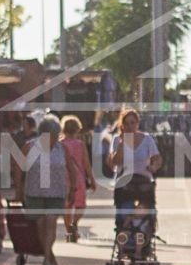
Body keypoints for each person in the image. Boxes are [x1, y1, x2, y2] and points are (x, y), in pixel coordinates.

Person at [16, 115, 72, 265]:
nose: (56, 139)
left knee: (51, 223)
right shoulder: (29, 147)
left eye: (57, 136)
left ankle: (47, 260)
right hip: (35, 192)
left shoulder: (62, 148)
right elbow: (18, 169)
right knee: (40, 227)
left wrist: (73, 187)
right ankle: (50, 258)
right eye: (53, 137)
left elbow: (71, 168)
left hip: (56, 192)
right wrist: (18, 190)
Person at [107, 108, 162, 253]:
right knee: (124, 215)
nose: (130, 126)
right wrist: (121, 144)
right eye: (127, 123)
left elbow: (157, 158)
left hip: (143, 182)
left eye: (133, 123)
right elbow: (114, 162)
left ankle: (141, 248)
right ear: (122, 124)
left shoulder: (147, 139)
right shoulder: (117, 140)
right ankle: (123, 248)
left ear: (137, 123)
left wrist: (153, 166)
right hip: (125, 184)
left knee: (145, 216)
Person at [60, 115, 96, 243]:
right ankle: (74, 223)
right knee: (80, 204)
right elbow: (86, 163)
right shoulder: (80, 144)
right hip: (79, 177)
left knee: (66, 207)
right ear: (77, 129)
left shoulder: (60, 144)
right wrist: (91, 179)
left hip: (63, 177)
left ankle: (69, 231)